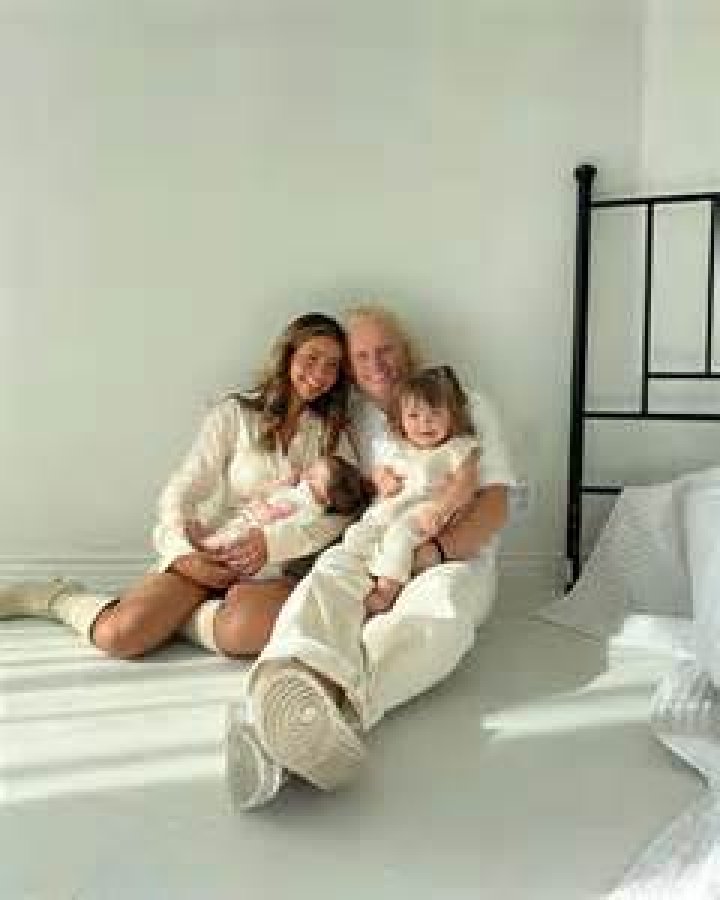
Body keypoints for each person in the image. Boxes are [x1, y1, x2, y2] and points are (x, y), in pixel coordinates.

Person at [224, 304, 515, 809]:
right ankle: (276, 695)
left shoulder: (463, 403)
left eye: (386, 350)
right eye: (362, 357)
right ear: (352, 372)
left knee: (434, 613)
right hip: (377, 535)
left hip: (453, 550)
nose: (377, 365)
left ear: (408, 350)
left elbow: (494, 506)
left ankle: (332, 716)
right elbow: (337, 490)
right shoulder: (355, 419)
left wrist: (432, 553)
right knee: (327, 580)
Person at [0, 312, 358, 658]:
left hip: (279, 566)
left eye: (332, 366)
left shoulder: (333, 434)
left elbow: (343, 515)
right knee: (120, 636)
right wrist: (182, 551)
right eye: (312, 358)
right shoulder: (234, 415)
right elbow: (185, 487)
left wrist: (273, 544)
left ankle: (175, 621)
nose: (320, 374)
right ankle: (54, 597)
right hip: (214, 548)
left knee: (241, 631)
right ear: (288, 355)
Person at [343, 365, 480, 617]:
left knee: (400, 537)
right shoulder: (400, 446)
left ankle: (387, 591)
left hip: (424, 511)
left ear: (452, 416)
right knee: (357, 534)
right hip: (392, 507)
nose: (424, 424)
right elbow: (379, 472)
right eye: (414, 416)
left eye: (434, 414)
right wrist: (382, 479)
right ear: (401, 419)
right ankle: (371, 569)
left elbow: (465, 484)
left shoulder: (457, 448)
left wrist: (442, 509)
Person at [201, 455, 370, 553]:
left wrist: (260, 503)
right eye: (310, 470)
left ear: (327, 500)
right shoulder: (299, 496)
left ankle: (205, 547)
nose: (305, 476)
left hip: (251, 537)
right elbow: (271, 493)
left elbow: (269, 516)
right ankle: (207, 544)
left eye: (312, 478)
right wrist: (284, 482)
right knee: (225, 533)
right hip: (246, 526)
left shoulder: (306, 506)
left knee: (226, 540)